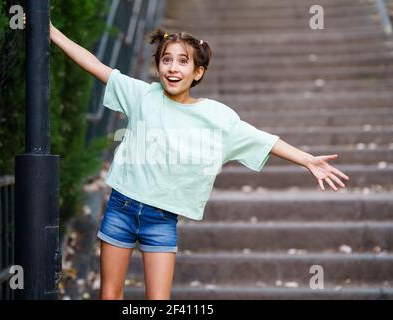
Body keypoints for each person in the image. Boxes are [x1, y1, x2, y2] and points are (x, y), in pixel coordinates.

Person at [42, 17, 350, 300]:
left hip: (161, 220)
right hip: (121, 208)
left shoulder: (216, 117)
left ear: (198, 72)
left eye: (182, 62)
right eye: (166, 60)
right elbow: (95, 65)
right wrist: (51, 31)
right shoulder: (143, 95)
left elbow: (264, 140)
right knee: (110, 295)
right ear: (158, 66)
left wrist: (307, 160)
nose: (173, 68)